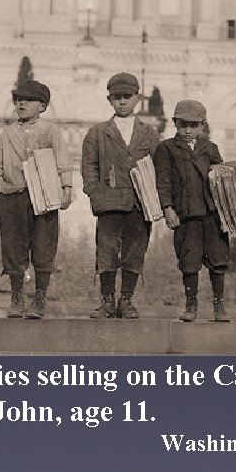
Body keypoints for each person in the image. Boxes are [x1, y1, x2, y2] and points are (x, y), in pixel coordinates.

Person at [0, 80, 74, 319]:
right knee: (13, 247)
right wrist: (0, 183)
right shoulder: (6, 134)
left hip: (44, 197)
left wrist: (66, 188)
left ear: (43, 106)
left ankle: (40, 297)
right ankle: (16, 297)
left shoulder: (50, 131)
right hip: (12, 197)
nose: (21, 104)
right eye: (18, 100)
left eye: (27, 100)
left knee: (44, 245)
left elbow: (63, 161)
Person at [81, 72, 160, 319]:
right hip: (109, 203)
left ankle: (126, 300)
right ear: (109, 100)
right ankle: (107, 301)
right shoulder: (98, 132)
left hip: (140, 204)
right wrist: (94, 191)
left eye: (127, 97)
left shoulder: (149, 134)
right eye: (117, 98)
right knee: (106, 251)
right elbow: (89, 165)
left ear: (137, 98)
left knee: (135, 250)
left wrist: (154, 197)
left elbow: (159, 167)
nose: (122, 102)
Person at [153, 99, 231, 323]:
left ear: (202, 125)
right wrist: (167, 208)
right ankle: (191, 304)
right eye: (183, 124)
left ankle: (219, 305)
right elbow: (163, 181)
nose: (188, 130)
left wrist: (228, 209)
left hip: (212, 214)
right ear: (175, 123)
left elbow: (223, 177)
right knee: (189, 260)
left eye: (193, 125)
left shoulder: (210, 147)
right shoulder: (166, 148)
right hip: (186, 214)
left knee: (218, 258)